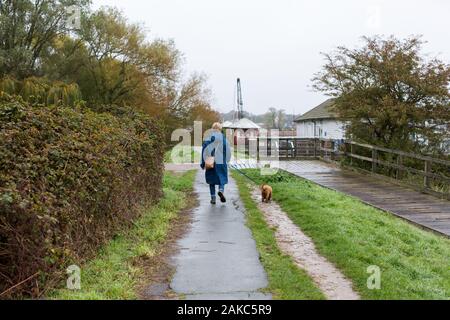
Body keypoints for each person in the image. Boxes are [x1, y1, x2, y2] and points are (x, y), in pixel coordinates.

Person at [201, 123, 231, 205]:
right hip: (221, 162)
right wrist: (227, 159)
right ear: (220, 129)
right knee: (222, 177)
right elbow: (227, 150)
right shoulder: (224, 139)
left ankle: (213, 198)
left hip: (210, 161)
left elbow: (204, 151)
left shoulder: (208, 139)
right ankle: (221, 190)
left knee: (211, 180)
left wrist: (203, 163)